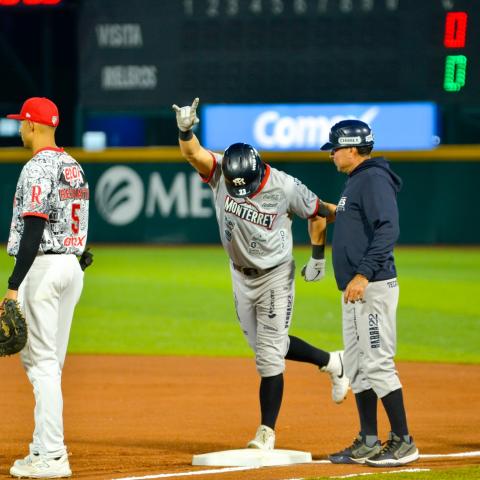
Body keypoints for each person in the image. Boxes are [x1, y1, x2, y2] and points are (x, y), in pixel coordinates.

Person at [173, 98, 349, 450]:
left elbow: (317, 212)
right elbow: (193, 154)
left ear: (259, 171)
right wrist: (185, 129)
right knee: (269, 347)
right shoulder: (223, 171)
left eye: (246, 186)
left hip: (273, 275)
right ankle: (333, 362)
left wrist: (318, 257)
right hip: (240, 274)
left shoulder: (284, 186)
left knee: (268, 355)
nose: (239, 191)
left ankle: (266, 431)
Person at [322, 120, 419, 467]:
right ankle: (367, 439)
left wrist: (363, 273)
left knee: (378, 363)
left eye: (334, 147)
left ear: (351, 148)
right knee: (359, 366)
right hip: (354, 289)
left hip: (372, 286)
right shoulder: (357, 181)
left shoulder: (374, 178)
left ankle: (403, 441)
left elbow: (388, 227)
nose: (331, 153)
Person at [3, 97, 90, 478]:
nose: (19, 128)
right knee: (50, 364)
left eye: (22, 122)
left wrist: (12, 285)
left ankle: (53, 455)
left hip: (44, 269)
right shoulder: (72, 165)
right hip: (70, 267)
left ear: (34, 126)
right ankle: (42, 447)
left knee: (41, 367)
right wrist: (75, 254)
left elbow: (35, 226)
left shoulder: (36, 168)